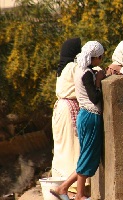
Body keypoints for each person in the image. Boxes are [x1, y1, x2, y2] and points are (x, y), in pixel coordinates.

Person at [50, 41, 105, 200]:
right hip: (77, 110)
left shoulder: (66, 68)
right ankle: (74, 191)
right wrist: (99, 81)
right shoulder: (77, 69)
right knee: (78, 152)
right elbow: (92, 96)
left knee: (70, 152)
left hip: (63, 110)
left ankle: (66, 187)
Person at [51, 37, 83, 199]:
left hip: (60, 111)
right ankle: (72, 188)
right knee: (73, 148)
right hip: (70, 108)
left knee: (63, 148)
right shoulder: (73, 67)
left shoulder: (62, 68)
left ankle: (61, 182)